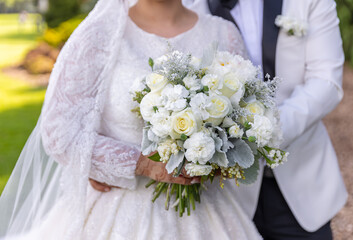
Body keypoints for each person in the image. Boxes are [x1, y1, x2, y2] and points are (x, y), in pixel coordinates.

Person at [0, 0, 262, 239]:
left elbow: (249, 119)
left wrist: (210, 156)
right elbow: (59, 132)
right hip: (118, 211)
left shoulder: (223, 33)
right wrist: (144, 165)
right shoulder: (100, 35)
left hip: (209, 213)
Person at [185, 0, 348, 239]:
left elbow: (327, 82)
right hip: (220, 192)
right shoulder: (186, 5)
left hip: (300, 185)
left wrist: (263, 133)